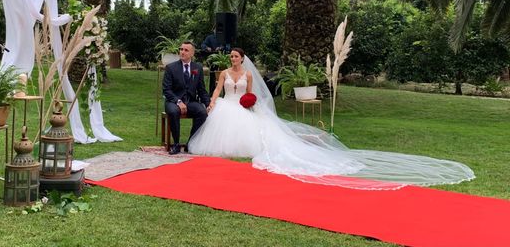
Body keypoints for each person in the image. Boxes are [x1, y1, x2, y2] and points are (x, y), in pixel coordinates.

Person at [189, 47, 475, 190]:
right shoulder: (223, 74)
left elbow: (251, 94)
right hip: (227, 105)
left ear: (243, 59)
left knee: (250, 134)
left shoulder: (249, 74)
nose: (235, 60)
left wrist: (250, 104)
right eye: (232, 57)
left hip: (243, 106)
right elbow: (216, 90)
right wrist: (213, 103)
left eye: (237, 57)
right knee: (220, 131)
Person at [162, 41, 210, 155]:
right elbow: (166, 90)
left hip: (191, 101)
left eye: (186, 50)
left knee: (202, 112)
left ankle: (190, 143)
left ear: (192, 53)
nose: (182, 52)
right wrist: (178, 102)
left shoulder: (197, 68)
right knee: (174, 112)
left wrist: (208, 104)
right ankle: (176, 144)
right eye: (181, 49)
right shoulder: (171, 68)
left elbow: (201, 90)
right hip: (173, 101)